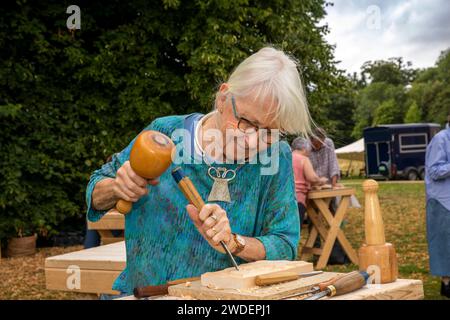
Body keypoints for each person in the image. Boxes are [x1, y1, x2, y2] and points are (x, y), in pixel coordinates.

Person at [86, 47, 312, 296]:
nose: (252, 141)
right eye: (247, 122)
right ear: (223, 97)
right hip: (144, 293)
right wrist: (116, 187)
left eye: (269, 132)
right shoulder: (165, 133)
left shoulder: (276, 156)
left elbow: (285, 244)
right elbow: (95, 190)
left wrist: (235, 242)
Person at [425, 113, 450, 298]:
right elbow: (434, 170)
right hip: (442, 200)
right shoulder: (441, 139)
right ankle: (446, 284)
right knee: (443, 245)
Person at [291, 137, 327, 226]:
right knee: (295, 230)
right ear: (304, 148)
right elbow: (312, 178)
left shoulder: (285, 157)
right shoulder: (303, 159)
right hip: (297, 199)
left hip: (282, 199)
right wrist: (321, 181)